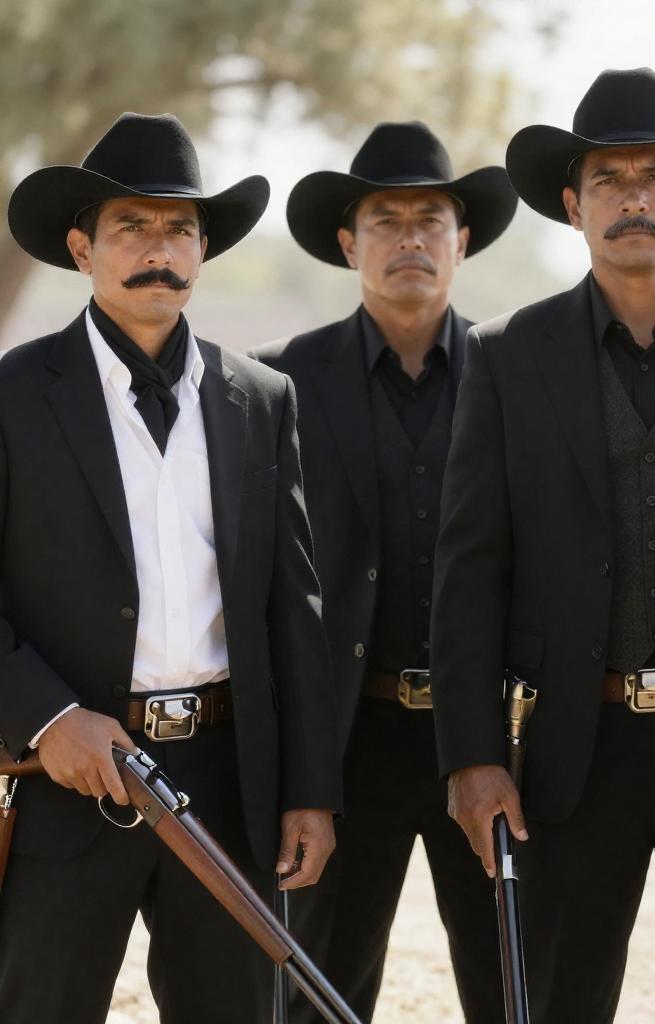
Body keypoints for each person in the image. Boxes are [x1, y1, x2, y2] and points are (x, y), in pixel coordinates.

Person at [430, 67, 655, 1024]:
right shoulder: (507, 355)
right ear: (573, 205)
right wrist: (472, 754)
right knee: (554, 1002)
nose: (633, 198)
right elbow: (469, 570)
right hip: (569, 750)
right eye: (607, 180)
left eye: (654, 177)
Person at [0, 112, 341, 1024]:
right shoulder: (13, 396)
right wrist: (49, 719)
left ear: (203, 249)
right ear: (82, 248)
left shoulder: (262, 400)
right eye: (132, 227)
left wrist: (310, 793)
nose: (159, 250)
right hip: (68, 781)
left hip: (227, 783)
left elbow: (293, 610)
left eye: (179, 229)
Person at [254, 120, 517, 1023]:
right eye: (386, 221)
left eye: (430, 220)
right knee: (316, 990)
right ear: (347, 242)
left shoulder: (519, 373)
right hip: (341, 739)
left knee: (514, 982)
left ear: (462, 240)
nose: (410, 239)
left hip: (486, 739)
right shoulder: (279, 385)